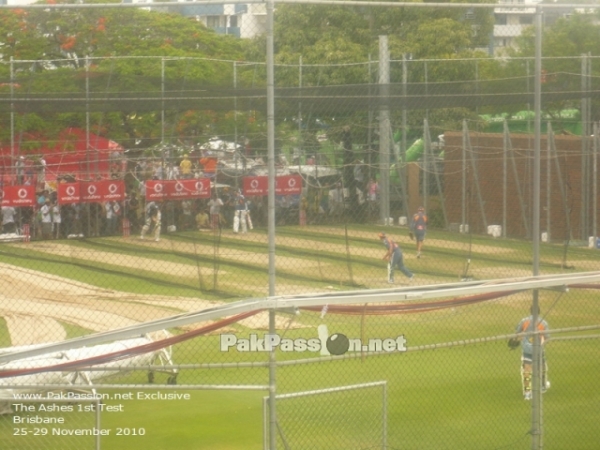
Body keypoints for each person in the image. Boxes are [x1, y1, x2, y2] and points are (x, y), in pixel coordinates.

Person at [509, 305, 550, 400]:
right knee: (542, 368)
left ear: (530, 311)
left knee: (526, 371)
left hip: (527, 350)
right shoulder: (543, 322)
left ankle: (527, 392)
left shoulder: (524, 321)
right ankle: (542, 386)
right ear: (539, 312)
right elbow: (547, 337)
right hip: (539, 349)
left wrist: (517, 341)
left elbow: (517, 333)